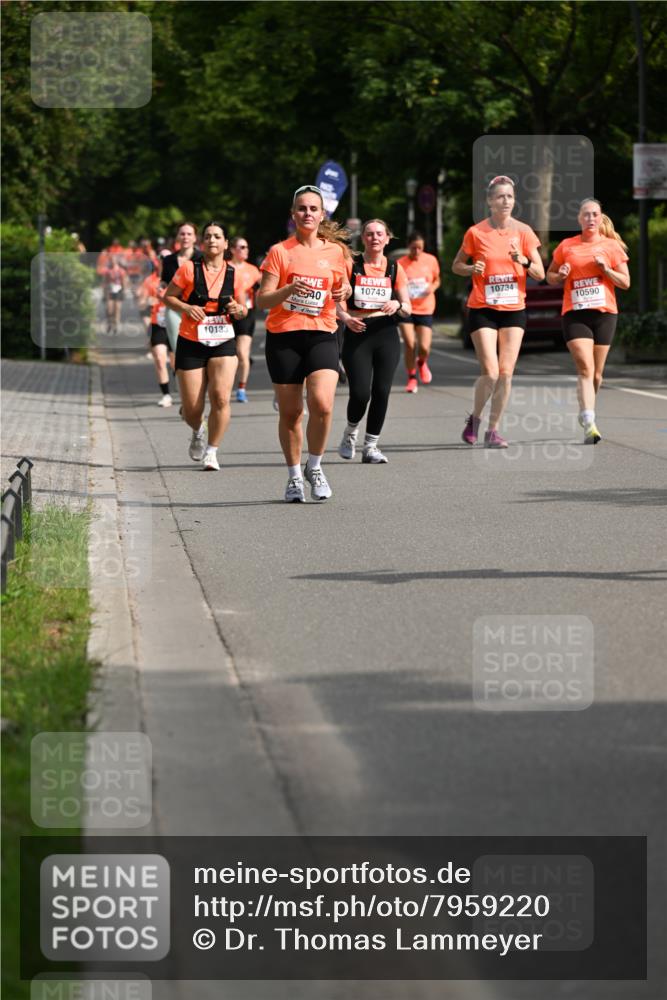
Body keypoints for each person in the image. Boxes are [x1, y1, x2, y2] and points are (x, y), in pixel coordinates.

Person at [256, 184, 352, 502]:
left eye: (313, 209)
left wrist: (345, 292)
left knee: (322, 404)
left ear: (322, 215)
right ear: (293, 214)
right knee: (292, 412)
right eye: (302, 208)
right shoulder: (280, 252)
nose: (307, 213)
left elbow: (343, 288)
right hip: (284, 337)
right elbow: (262, 300)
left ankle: (315, 466)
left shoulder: (335, 252)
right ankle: (294, 476)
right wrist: (288, 290)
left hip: (322, 332)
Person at [452, 175, 544, 447]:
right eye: (500, 196)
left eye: (510, 196)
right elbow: (456, 265)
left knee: (506, 373)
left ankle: (493, 430)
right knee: (490, 373)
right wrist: (471, 268)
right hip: (483, 308)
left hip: (514, 309)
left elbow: (540, 273)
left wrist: (523, 260)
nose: (506, 201)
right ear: (490, 201)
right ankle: (475, 418)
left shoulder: (524, 232)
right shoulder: (476, 232)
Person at [163, 221, 247, 471]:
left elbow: (243, 309)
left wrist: (238, 309)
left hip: (223, 340)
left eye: (217, 236)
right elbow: (168, 297)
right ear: (202, 242)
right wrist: (187, 307)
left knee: (220, 397)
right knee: (192, 409)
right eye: (208, 236)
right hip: (191, 340)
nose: (212, 240)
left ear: (226, 243)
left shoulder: (235, 273)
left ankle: (212, 451)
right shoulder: (189, 269)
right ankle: (198, 429)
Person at [547, 198, 630, 444]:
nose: (590, 218)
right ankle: (589, 422)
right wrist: (559, 275)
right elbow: (550, 275)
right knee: (585, 367)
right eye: (586, 214)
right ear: (579, 219)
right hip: (575, 313)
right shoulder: (567, 246)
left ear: (600, 217)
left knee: (597, 375)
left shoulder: (611, 246)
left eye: (594, 214)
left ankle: (586, 408)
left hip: (605, 313)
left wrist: (606, 270)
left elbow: (625, 283)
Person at [336, 219, 411, 464]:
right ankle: (350, 432)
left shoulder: (395, 268)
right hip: (357, 331)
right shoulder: (351, 264)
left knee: (382, 391)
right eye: (369, 234)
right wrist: (346, 318)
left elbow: (408, 307)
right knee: (360, 393)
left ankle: (370, 446)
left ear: (387, 239)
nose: (374, 238)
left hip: (386, 332)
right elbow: (336, 299)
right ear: (363, 238)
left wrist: (398, 304)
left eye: (379, 234)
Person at [398, 233, 441, 392]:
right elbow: (396, 284)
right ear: (408, 246)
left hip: (425, 308)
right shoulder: (400, 263)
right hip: (406, 309)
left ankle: (421, 362)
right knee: (410, 343)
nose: (417, 251)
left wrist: (432, 288)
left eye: (420, 248)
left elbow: (437, 279)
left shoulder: (431, 260)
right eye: (413, 248)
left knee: (424, 347)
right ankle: (411, 378)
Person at [161, 222, 203, 357]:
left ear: (195, 238)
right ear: (177, 237)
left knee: (199, 350)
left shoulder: (203, 258)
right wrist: (160, 289)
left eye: (189, 234)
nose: (185, 237)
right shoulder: (168, 260)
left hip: (198, 309)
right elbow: (164, 283)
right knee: (178, 349)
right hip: (175, 308)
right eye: (182, 234)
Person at [228, 236, 261, 403]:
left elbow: (266, 286)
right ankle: (224, 386)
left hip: (247, 314)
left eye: (246, 247)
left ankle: (241, 389)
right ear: (232, 250)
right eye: (241, 247)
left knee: (242, 352)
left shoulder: (253, 270)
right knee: (229, 355)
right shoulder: (225, 267)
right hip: (227, 314)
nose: (245, 250)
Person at [102, 257, 128, 334]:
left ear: (116, 262)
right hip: (110, 290)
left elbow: (124, 281)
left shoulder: (121, 271)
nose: (113, 262)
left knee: (117, 308)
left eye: (114, 261)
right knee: (109, 309)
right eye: (111, 261)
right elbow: (105, 281)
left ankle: (116, 324)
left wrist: (124, 291)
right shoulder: (108, 271)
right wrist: (104, 292)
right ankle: (109, 322)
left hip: (118, 290)